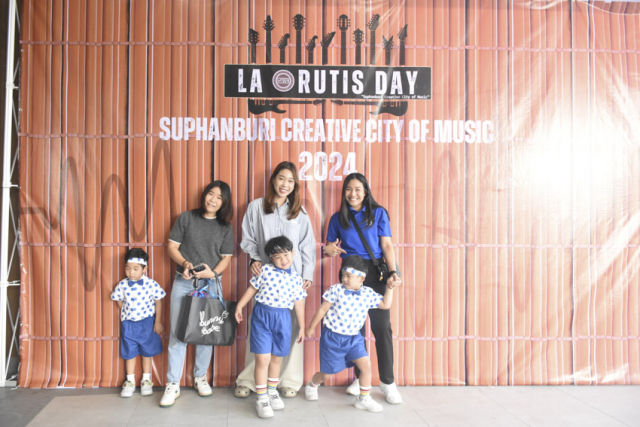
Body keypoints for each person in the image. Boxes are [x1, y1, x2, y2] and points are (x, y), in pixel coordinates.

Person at [235, 161, 315, 399]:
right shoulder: (256, 207)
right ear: (273, 180)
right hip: (266, 279)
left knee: (291, 330)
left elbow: (307, 245)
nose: (285, 185)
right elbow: (248, 238)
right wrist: (254, 259)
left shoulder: (299, 212)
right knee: (260, 330)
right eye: (281, 179)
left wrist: (307, 274)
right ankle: (249, 380)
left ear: (295, 185)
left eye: (291, 181)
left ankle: (288, 380)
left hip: (293, 278)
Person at [323, 172, 403, 404]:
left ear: (366, 191)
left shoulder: (378, 213)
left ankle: (388, 382)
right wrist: (328, 250)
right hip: (350, 274)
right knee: (353, 329)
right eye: (349, 189)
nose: (353, 194)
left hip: (376, 273)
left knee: (382, 328)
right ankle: (360, 378)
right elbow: (328, 247)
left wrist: (393, 272)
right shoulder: (338, 218)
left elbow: (386, 245)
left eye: (358, 189)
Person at [161, 181, 234, 407]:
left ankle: (200, 377)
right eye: (211, 194)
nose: (213, 200)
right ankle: (173, 383)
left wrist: (213, 274)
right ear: (204, 195)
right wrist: (185, 263)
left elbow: (226, 258)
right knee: (177, 333)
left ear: (224, 203)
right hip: (184, 282)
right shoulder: (186, 218)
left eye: (219, 197)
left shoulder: (225, 227)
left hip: (211, 284)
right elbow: (172, 247)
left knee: (206, 333)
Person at [305, 255, 394, 412]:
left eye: (349, 276)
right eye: (343, 275)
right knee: (326, 374)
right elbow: (323, 309)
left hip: (354, 338)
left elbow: (385, 304)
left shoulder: (367, 293)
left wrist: (390, 288)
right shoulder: (336, 290)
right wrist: (311, 327)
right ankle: (313, 384)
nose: (344, 279)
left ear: (361, 278)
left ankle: (363, 399)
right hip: (333, 338)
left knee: (366, 365)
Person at [235, 236, 306, 418]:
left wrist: (302, 327)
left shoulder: (297, 279)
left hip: (283, 319)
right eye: (278, 257)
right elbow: (252, 289)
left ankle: (272, 391)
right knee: (262, 359)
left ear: (293, 253)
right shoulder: (265, 271)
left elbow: (299, 304)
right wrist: (240, 306)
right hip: (262, 318)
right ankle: (261, 398)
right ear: (271, 258)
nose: (283, 260)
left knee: (276, 358)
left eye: (286, 255)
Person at [111, 248, 166, 398]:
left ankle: (146, 380)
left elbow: (158, 302)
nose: (131, 273)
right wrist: (125, 312)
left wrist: (157, 321)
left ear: (145, 268)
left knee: (147, 351)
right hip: (129, 323)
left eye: (136, 269)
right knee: (130, 352)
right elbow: (118, 299)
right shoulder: (122, 284)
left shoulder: (151, 284)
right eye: (128, 268)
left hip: (147, 322)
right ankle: (130, 381)